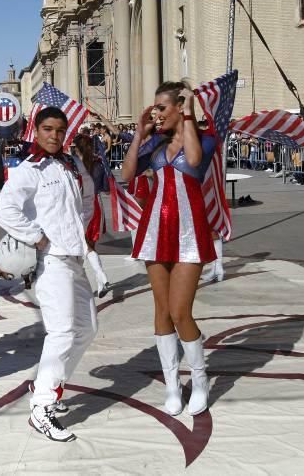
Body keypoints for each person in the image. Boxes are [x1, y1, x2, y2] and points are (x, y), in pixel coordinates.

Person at [0, 107, 96, 442]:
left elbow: (88, 198)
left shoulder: (71, 164)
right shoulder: (29, 169)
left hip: (74, 258)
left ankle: (48, 386)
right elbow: (3, 209)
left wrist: (82, 230)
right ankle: (42, 406)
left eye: (59, 129)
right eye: (47, 129)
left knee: (86, 329)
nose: (54, 135)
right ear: (35, 131)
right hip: (50, 262)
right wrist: (37, 236)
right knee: (62, 332)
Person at [121, 81, 217, 417]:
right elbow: (127, 173)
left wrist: (189, 115)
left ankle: (200, 381)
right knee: (161, 311)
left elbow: (193, 159)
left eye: (162, 108)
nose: (156, 113)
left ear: (180, 106)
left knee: (180, 311)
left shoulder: (204, 138)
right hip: (155, 231)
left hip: (190, 233)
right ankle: (173, 385)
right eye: (155, 108)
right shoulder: (154, 145)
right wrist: (138, 135)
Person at [73, 133, 110, 297]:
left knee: (82, 246)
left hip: (82, 206)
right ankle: (101, 282)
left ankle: (100, 277)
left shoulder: (75, 167)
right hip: (97, 205)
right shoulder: (98, 163)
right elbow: (105, 186)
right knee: (90, 246)